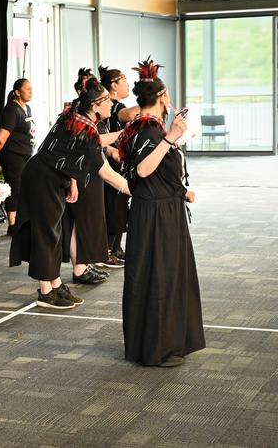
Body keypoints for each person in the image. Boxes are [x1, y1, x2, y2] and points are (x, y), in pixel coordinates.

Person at [9, 72, 130, 309]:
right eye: (107, 102)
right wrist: (137, 190)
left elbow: (69, 153)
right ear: (95, 106)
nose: (110, 105)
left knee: (55, 232)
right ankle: (46, 291)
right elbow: (107, 174)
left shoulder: (76, 118)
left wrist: (73, 180)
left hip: (52, 176)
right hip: (42, 178)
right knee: (46, 233)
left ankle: (54, 284)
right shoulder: (83, 129)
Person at [118, 58, 205, 368]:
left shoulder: (140, 127)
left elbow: (154, 171)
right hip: (157, 216)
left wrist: (182, 191)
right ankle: (158, 347)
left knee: (154, 277)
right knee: (161, 278)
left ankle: (153, 344)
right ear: (163, 95)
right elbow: (143, 169)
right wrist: (171, 137)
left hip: (157, 209)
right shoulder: (151, 130)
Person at [62, 69, 125, 286]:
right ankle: (80, 267)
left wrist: (111, 148)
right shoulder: (78, 118)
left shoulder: (89, 118)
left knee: (87, 222)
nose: (110, 104)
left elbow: (96, 141)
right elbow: (89, 142)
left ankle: (84, 264)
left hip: (89, 170)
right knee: (81, 222)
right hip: (83, 174)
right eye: (106, 99)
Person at [97, 65, 136, 266]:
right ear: (113, 85)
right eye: (125, 81)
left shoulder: (116, 105)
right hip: (107, 167)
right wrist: (150, 99)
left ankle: (116, 247)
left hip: (118, 165)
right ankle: (107, 250)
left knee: (120, 208)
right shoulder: (113, 107)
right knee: (113, 208)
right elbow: (128, 116)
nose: (128, 85)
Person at [0, 79, 35, 237]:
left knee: (24, 187)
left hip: (25, 154)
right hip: (13, 155)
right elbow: (1, 137)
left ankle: (22, 219)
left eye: (31, 88)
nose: (31, 91)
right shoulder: (12, 109)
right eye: (27, 89)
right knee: (15, 187)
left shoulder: (27, 108)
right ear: (17, 92)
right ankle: (12, 223)